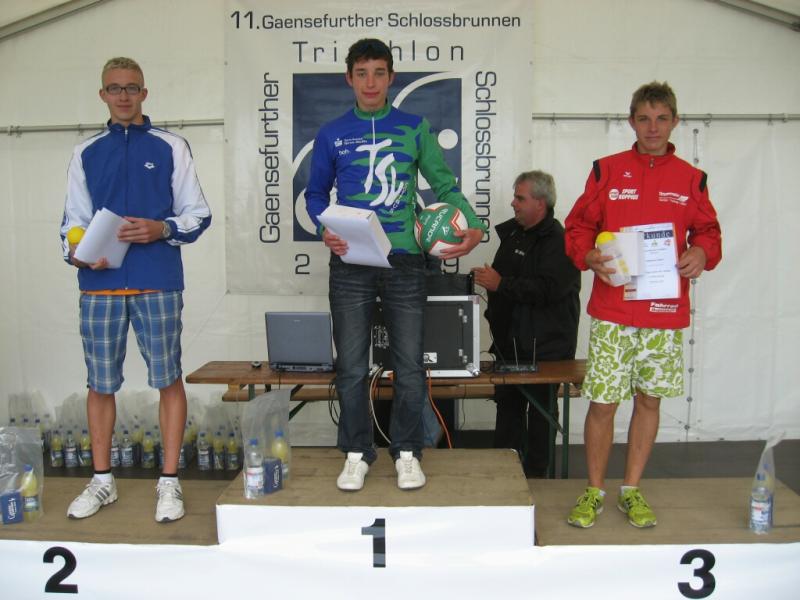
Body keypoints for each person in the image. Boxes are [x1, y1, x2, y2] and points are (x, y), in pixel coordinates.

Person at [305, 38, 486, 491]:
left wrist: (475, 224)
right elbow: (315, 194)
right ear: (349, 78)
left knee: (409, 366)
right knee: (351, 367)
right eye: (362, 73)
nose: (370, 82)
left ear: (391, 77)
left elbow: (444, 185)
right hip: (351, 261)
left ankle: (407, 452)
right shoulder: (331, 133)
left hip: (405, 261)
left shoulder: (415, 127)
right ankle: (356, 453)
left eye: (379, 73)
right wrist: (323, 227)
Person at [60, 57, 211, 522]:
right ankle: (102, 481)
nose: (123, 96)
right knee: (99, 383)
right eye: (114, 88)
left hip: (157, 280)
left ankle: (169, 482)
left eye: (131, 88)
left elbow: (197, 214)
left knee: (168, 378)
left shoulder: (172, 145)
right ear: (102, 95)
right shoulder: (85, 151)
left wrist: (161, 228)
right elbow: (72, 222)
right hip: (100, 284)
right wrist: (78, 252)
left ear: (145, 93)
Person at [564, 82, 721, 528]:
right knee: (602, 403)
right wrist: (587, 255)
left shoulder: (691, 178)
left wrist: (702, 252)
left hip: (663, 313)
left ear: (675, 121)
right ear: (631, 121)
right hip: (613, 311)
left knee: (649, 401)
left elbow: (708, 232)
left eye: (662, 118)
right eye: (644, 119)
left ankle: (631, 490)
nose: (653, 128)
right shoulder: (606, 171)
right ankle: (594, 491)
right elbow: (577, 227)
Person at [472, 171, 580, 477]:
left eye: (520, 198)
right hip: (511, 345)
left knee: (542, 414)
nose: (513, 203)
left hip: (546, 349)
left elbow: (549, 290)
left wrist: (500, 284)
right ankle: (504, 473)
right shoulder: (515, 235)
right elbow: (504, 282)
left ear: (540, 203)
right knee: (508, 408)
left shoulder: (560, 241)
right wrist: (491, 286)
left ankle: (537, 476)